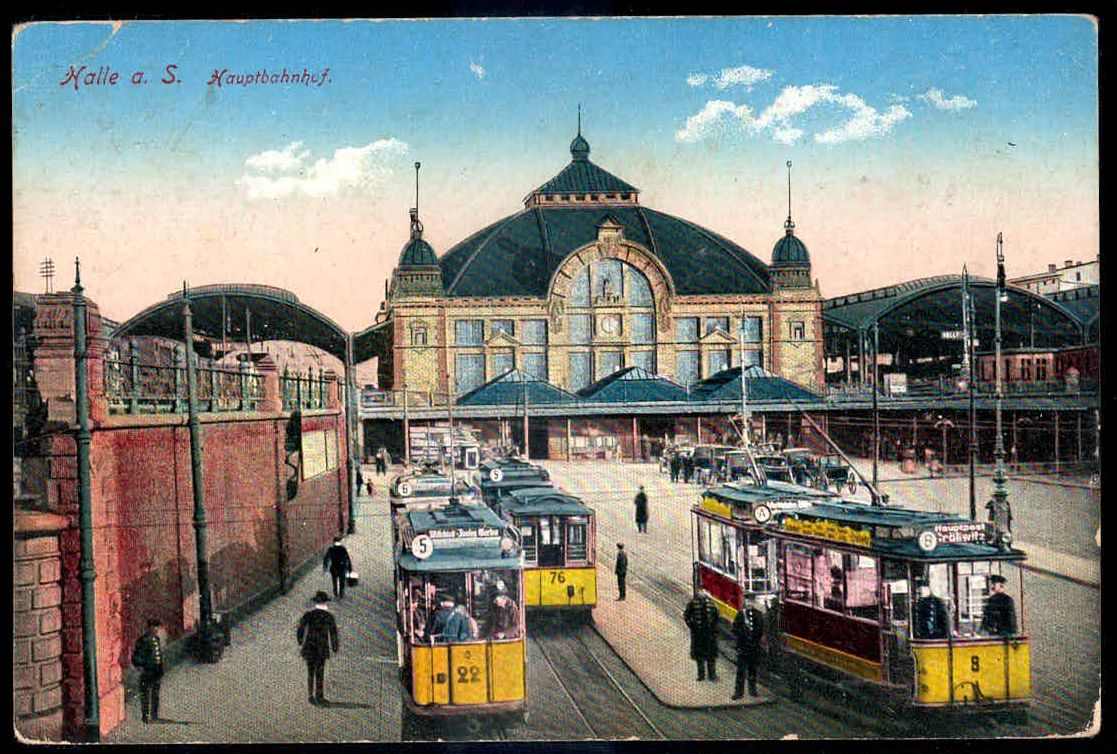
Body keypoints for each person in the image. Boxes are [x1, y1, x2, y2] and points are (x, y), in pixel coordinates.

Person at [297, 591, 339, 705]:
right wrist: (335, 646)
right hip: (322, 646)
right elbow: (333, 633)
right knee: (320, 671)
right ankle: (319, 695)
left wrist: (300, 640)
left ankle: (310, 695)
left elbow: (300, 628)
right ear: (325, 603)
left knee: (310, 671)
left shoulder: (309, 614)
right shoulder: (329, 616)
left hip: (310, 646)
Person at [131, 618, 165, 723]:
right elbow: (136, 656)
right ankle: (146, 716)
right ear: (149, 628)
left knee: (155, 694)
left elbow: (159, 655)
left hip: (156, 671)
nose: (155, 629)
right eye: (154, 627)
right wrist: (140, 666)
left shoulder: (156, 639)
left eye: (157, 627)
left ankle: (154, 716)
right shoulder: (143, 640)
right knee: (146, 694)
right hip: (147, 671)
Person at [731, 597, 765, 698]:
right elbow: (734, 629)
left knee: (752, 670)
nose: (749, 603)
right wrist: (742, 635)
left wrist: (755, 638)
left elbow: (761, 629)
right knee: (740, 671)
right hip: (743, 647)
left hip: (754, 647)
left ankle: (752, 690)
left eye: (751, 601)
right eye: (748, 601)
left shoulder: (758, 615)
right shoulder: (741, 614)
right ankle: (738, 692)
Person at [683, 590, 720, 681]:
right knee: (707, 656)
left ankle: (704, 675)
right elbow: (716, 617)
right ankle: (709, 675)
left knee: (703, 656)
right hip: (705, 634)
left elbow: (716, 617)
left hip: (703, 634)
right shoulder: (710, 604)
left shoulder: (695, 603)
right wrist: (692, 626)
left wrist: (692, 625)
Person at [323, 536, 352, 600]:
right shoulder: (343, 549)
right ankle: (341, 593)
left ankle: (336, 593)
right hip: (342, 567)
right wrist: (350, 568)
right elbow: (347, 558)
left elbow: (326, 558)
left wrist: (325, 567)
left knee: (335, 581)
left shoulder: (331, 549)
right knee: (342, 581)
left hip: (334, 568)